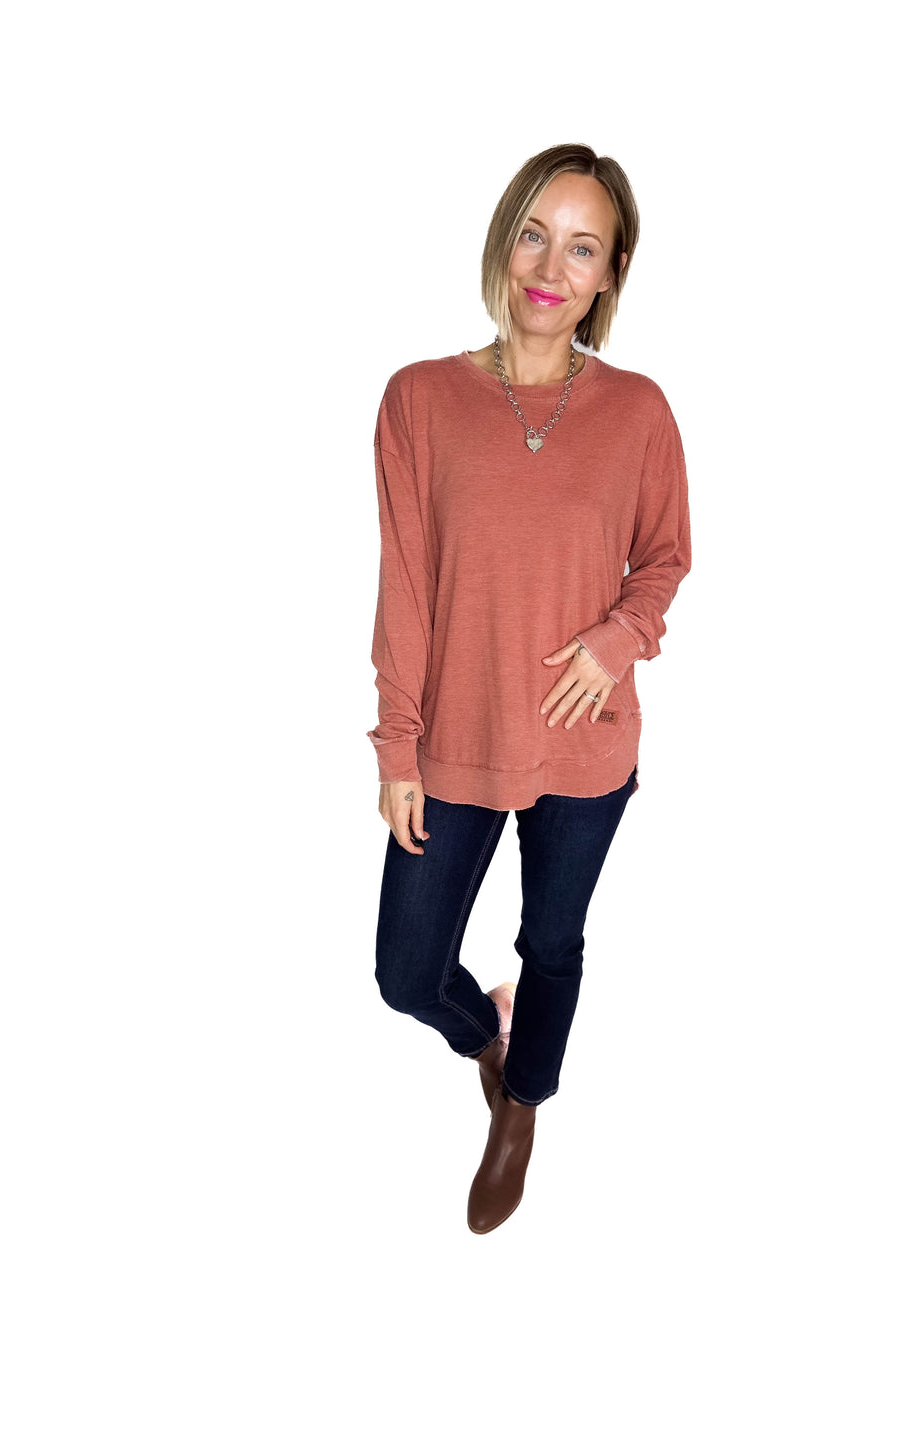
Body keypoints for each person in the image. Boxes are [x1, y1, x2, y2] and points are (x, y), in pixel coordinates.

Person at [366, 142, 693, 1234]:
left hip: (584, 741)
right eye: (535, 235)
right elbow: (405, 585)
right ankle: (485, 1040)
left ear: (611, 273)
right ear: (505, 241)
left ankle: (523, 1106)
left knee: (552, 944)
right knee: (407, 971)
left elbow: (665, 558)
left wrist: (617, 639)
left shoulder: (638, 411)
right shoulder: (419, 399)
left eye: (583, 248)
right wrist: (397, 746)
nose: (552, 267)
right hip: (456, 736)